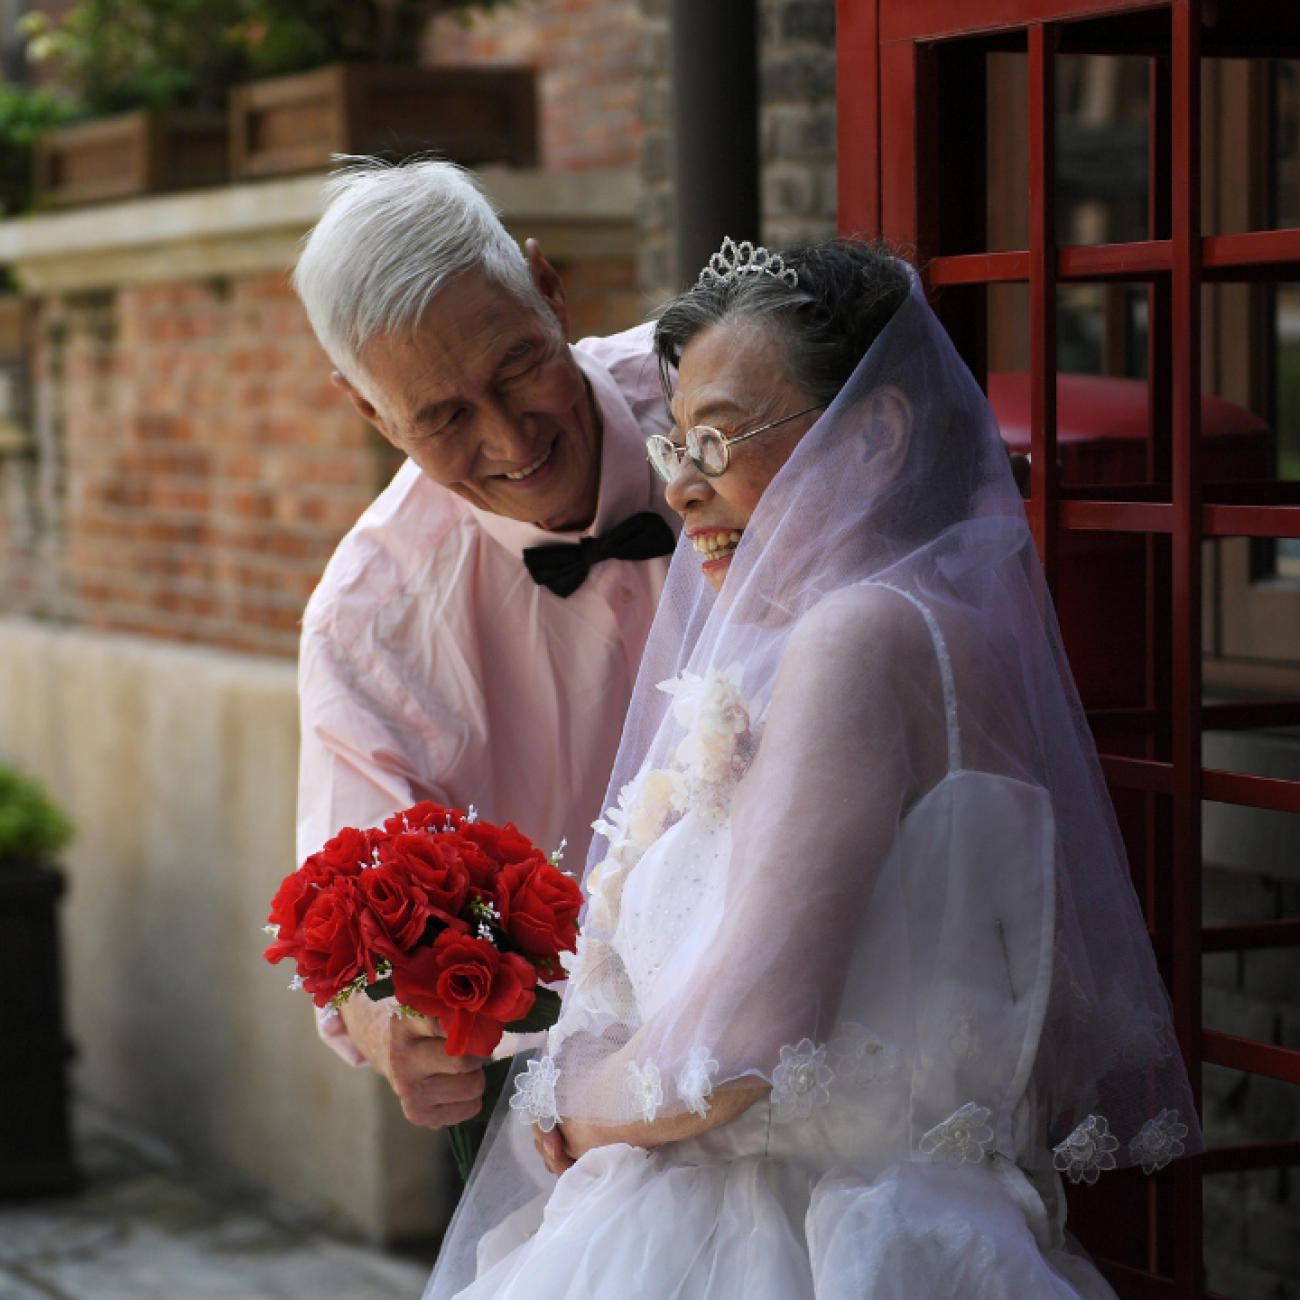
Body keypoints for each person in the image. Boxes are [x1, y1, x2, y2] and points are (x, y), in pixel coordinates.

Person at [423, 239, 1203, 1300]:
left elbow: (745, 1039)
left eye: (719, 439)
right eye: (674, 446)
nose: (685, 489)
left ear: (873, 436)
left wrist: (565, 1105)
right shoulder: (887, 639)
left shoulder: (857, 635)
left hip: (786, 1249)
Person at [291, 159, 677, 1129]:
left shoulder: (719, 411)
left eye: (516, 366)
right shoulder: (366, 621)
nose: (511, 439)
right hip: (560, 1087)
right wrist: (388, 1023)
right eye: (444, 416)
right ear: (370, 414)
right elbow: (361, 923)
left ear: (546, 287)